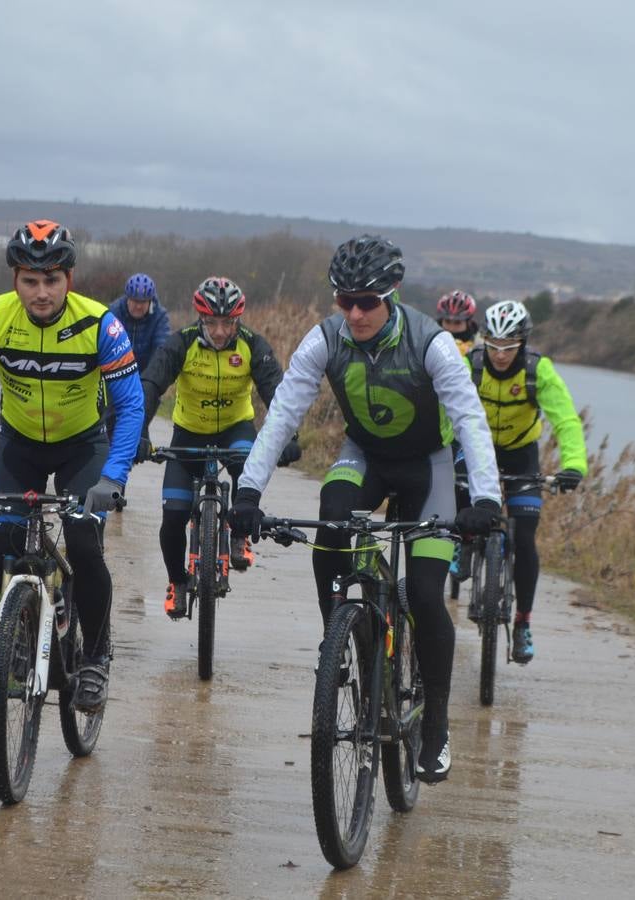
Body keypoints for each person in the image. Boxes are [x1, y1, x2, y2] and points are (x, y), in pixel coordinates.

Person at [229, 235, 502, 784]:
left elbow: (470, 420)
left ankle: (436, 723)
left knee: (424, 592)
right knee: (332, 516)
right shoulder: (325, 339)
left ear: (392, 293)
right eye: (344, 300)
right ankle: (337, 641)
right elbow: (283, 414)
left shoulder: (431, 343)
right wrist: (248, 492)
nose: (354, 313)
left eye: (366, 302)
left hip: (428, 467)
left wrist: (487, 498)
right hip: (365, 457)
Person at [0, 219, 143, 713]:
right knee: (1, 547)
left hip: (82, 447)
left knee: (84, 545)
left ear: (69, 278)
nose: (41, 292)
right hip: (19, 444)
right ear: (15, 279)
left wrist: (113, 477)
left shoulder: (100, 325)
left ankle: (95, 657)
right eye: (30, 281)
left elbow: (131, 405)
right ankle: (24, 627)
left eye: (52, 280)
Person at [137, 276, 295, 618]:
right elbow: (151, 384)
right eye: (212, 323)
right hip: (189, 432)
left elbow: (277, 392)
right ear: (200, 318)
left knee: (247, 468)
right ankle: (177, 582)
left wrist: (288, 439)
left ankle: (239, 534)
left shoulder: (252, 345)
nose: (220, 331)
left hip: (235, 429)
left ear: (238, 320)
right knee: (174, 514)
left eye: (228, 323)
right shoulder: (181, 343)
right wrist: (140, 432)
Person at [460, 299, 587, 663]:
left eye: (509, 346)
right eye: (494, 345)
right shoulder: (471, 365)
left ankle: (523, 623)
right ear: (484, 340)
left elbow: (565, 420)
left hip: (521, 453)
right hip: (478, 450)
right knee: (459, 499)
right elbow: (445, 409)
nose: (500, 355)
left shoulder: (537, 370)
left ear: (523, 342)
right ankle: (463, 543)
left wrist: (573, 465)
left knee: (526, 537)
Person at [105, 273, 170, 438]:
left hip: (144, 376)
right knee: (109, 422)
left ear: (150, 301)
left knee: (140, 422)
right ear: (127, 298)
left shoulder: (159, 317)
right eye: (135, 301)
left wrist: (149, 382)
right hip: (116, 373)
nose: (138, 306)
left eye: (143, 302)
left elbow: (160, 351)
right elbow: (106, 347)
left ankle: (139, 440)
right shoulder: (113, 312)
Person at [436, 290, 479, 354]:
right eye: (447, 321)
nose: (451, 328)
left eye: (457, 323)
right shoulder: (428, 340)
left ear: (468, 323)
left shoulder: (479, 347)